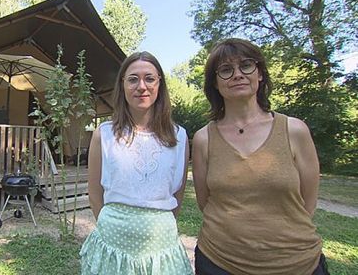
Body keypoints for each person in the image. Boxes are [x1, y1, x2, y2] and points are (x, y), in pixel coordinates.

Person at [192, 38, 329, 275]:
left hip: (297, 263)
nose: (237, 74)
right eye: (225, 70)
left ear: (260, 74)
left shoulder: (294, 130)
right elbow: (205, 202)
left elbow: (308, 202)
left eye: (246, 65)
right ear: (215, 83)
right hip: (220, 263)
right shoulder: (204, 139)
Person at [79, 51, 193, 274]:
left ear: (159, 84)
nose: (141, 86)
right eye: (133, 79)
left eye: (149, 78)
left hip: (161, 252)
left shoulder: (179, 137)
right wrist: (113, 227)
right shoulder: (104, 135)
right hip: (113, 248)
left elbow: (177, 195)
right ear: (122, 85)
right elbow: (94, 193)